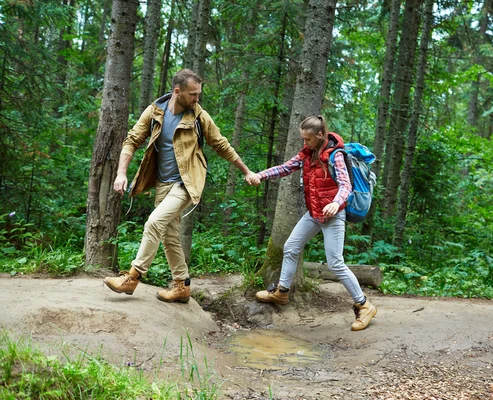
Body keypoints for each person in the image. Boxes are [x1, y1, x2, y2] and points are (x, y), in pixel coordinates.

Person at [104, 69, 254, 303]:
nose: (197, 99)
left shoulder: (198, 116)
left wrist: (246, 170)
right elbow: (132, 139)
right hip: (163, 183)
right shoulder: (155, 111)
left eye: (199, 94)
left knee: (153, 223)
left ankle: (132, 278)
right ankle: (182, 285)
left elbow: (221, 144)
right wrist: (121, 173)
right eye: (193, 94)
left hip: (187, 183)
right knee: (169, 235)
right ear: (177, 91)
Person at [247, 115, 377, 331]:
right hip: (314, 214)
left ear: (319, 135)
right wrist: (260, 175)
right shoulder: (306, 154)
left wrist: (336, 203)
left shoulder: (335, 156)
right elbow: (285, 168)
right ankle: (282, 293)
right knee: (291, 247)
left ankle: (364, 305)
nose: (304, 143)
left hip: (333, 216)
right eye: (302, 139)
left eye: (307, 139)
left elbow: (345, 185)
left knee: (335, 262)